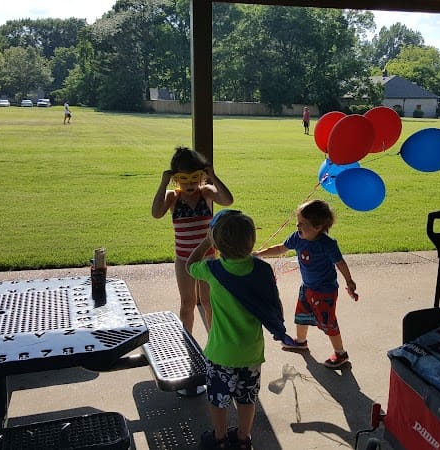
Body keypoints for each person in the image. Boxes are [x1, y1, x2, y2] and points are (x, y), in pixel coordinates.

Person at [187, 209, 288, 450]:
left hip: (221, 353)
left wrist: (206, 242)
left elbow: (189, 265)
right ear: (251, 241)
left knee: (218, 399)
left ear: (217, 244)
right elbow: (274, 303)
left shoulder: (212, 269)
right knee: (247, 398)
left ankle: (220, 438)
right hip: (251, 352)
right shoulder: (262, 269)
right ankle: (243, 439)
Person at [254, 199, 358, 369]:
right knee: (301, 315)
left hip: (324, 291)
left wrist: (349, 280)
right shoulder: (298, 237)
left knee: (328, 322)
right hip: (307, 286)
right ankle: (300, 342)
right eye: (298, 221)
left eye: (302, 223)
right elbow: (281, 248)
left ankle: (340, 353)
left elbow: (340, 263)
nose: (297, 226)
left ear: (317, 227)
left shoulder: (327, 244)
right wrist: (260, 253)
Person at [151, 146, 234, 336]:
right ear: (176, 179)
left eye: (194, 178)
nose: (190, 184)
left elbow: (228, 200)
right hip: (183, 259)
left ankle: (214, 340)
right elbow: (156, 213)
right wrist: (163, 184)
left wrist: (213, 176)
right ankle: (187, 340)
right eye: (184, 179)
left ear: (201, 177)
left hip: (207, 257)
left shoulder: (206, 193)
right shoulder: (173, 197)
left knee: (208, 301)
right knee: (187, 303)